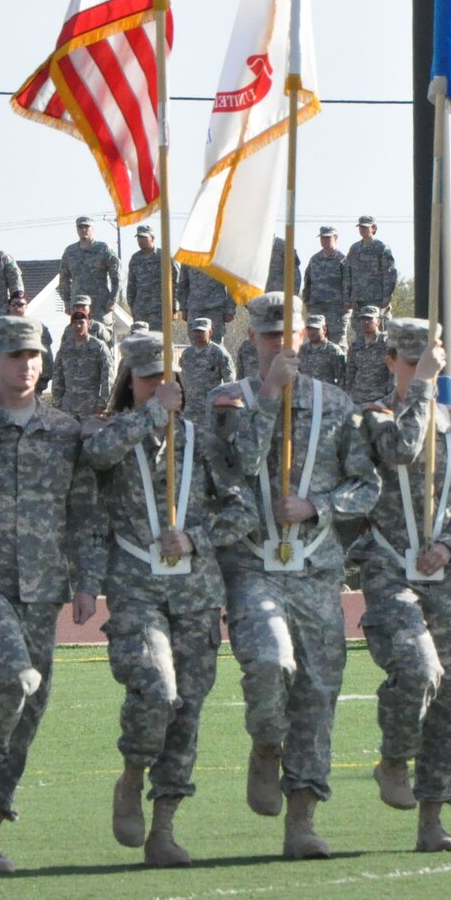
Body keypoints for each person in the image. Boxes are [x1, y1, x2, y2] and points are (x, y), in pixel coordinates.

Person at [0, 314, 105, 877]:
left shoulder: (64, 431)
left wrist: (87, 582)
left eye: (33, 355)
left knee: (29, 712)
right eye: (13, 356)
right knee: (11, 676)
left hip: (42, 587)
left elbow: (82, 514)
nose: (26, 365)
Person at [209, 291, 380, 860]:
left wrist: (319, 507)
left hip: (316, 569)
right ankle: (265, 742)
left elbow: (367, 486)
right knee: (268, 662)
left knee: (317, 691)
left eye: (291, 334)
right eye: (269, 335)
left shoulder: (336, 404)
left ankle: (303, 817)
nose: (281, 344)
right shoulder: (228, 400)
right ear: (251, 339)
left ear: (308, 336)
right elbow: (233, 469)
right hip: (253, 562)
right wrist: (269, 397)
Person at [84, 333, 252, 867]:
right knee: (156, 689)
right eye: (147, 379)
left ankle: (165, 824)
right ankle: (132, 774)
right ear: (129, 384)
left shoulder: (201, 441)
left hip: (195, 591)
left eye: (167, 379)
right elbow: (96, 455)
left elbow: (241, 509)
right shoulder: (113, 433)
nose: (159, 387)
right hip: (137, 587)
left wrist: (197, 538)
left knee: (188, 710)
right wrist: (151, 417)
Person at [355, 321, 451, 852]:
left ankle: (433, 816)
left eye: (430, 362)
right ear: (391, 362)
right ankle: (393, 757)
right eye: (411, 363)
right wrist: (426, 388)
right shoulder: (375, 416)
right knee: (418, 670)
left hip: (444, 577)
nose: (421, 371)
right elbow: (402, 450)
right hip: (390, 572)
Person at [51, 299, 114, 420]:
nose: (78, 326)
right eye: (75, 323)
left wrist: (102, 404)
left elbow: (108, 377)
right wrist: (58, 401)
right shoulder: (65, 348)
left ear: (88, 324)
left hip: (91, 408)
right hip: (67, 408)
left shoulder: (98, 346)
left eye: (81, 322)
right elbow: (57, 375)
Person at [56, 215, 120, 320]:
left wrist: (113, 300)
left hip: (100, 304)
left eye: (86, 227)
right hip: (78, 304)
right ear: (77, 229)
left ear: (92, 229)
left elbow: (116, 276)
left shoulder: (103, 248)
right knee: (79, 334)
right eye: (80, 227)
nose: (83, 230)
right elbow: (64, 279)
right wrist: (66, 301)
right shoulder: (70, 252)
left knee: (101, 334)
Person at [178, 316, 235, 426]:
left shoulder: (219, 353)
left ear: (210, 332)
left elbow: (230, 381)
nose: (198, 334)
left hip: (211, 408)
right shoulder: (187, 354)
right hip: (190, 409)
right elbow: (182, 378)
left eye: (201, 331)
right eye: (195, 331)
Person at [302, 225, 353, 343]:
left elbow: (348, 282)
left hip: (337, 307)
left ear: (335, 238)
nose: (324, 241)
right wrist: (306, 301)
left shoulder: (342, 260)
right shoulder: (314, 259)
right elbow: (307, 281)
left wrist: (347, 303)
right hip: (317, 306)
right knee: (316, 339)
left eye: (327, 238)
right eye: (322, 238)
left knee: (337, 340)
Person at [346, 215, 399, 320]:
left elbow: (389, 274)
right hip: (358, 299)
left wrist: (386, 298)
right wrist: (348, 298)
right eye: (360, 227)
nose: (362, 229)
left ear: (373, 228)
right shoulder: (354, 248)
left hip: (376, 299)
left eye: (365, 227)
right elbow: (348, 274)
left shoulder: (381, 247)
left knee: (379, 330)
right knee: (359, 331)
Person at [344, 306, 392, 404]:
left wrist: (389, 394)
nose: (365, 322)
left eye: (369, 319)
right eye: (363, 319)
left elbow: (393, 371)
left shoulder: (386, 342)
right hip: (357, 398)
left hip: (379, 398)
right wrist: (348, 393)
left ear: (378, 321)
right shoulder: (356, 344)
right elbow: (350, 371)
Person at [124, 224, 167, 327]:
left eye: (144, 237)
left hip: (160, 309)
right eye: (139, 237)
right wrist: (132, 306)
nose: (140, 240)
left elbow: (175, 281)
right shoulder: (135, 259)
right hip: (141, 309)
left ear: (152, 238)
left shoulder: (163, 256)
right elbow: (131, 285)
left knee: (158, 340)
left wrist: (174, 307)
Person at [297, 314, 346, 387]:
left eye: (315, 329)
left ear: (324, 330)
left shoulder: (333, 350)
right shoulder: (302, 350)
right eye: (309, 328)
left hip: (326, 395)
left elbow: (342, 377)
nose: (312, 332)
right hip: (306, 394)